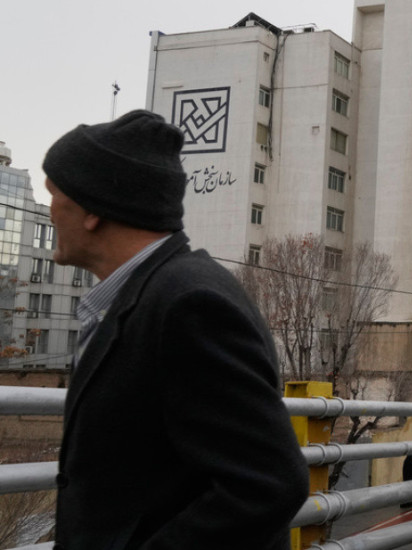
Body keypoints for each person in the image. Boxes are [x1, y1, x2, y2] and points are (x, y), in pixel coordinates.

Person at [44, 110, 309, 548]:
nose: (50, 211)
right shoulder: (158, 293)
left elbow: (268, 484)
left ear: (92, 209)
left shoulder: (188, 304)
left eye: (54, 193)